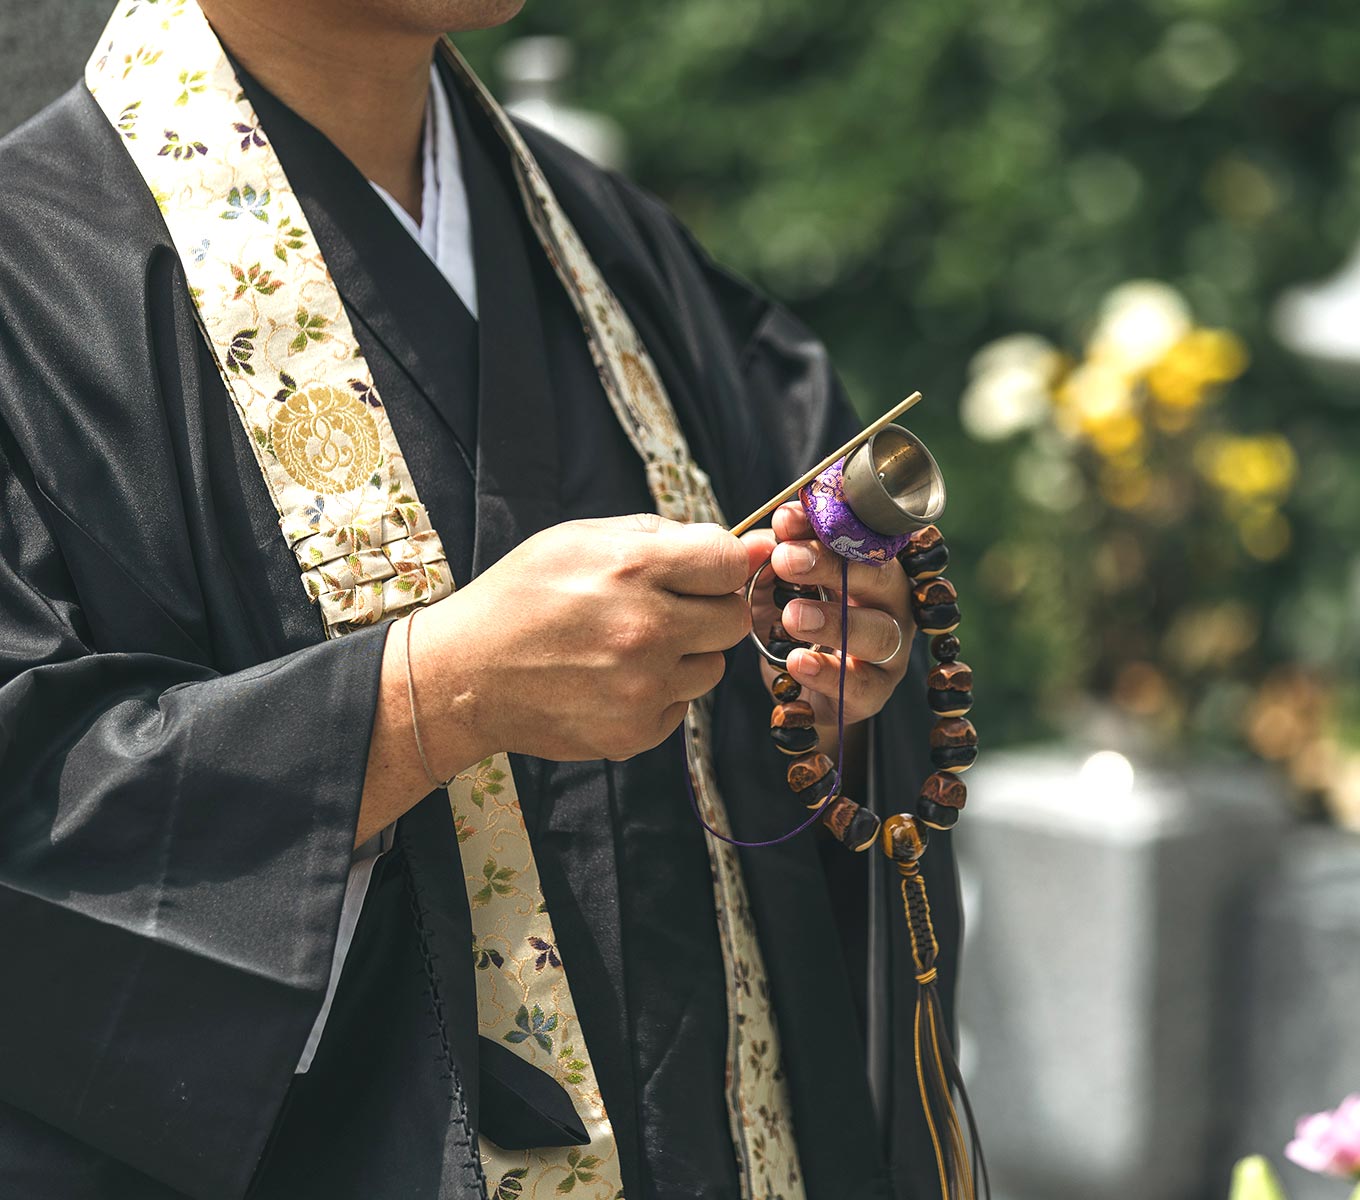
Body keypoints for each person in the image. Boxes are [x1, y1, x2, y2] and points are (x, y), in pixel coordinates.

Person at [0, 0, 962, 1197]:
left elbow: (826, 743)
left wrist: (829, 681)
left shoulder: (609, 249)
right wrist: (427, 698)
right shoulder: (34, 282)